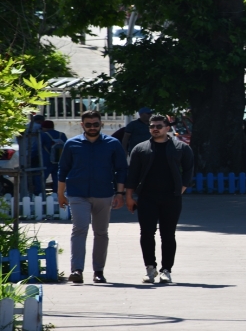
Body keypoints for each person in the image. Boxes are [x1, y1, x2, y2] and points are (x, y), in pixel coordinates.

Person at [57, 110, 128, 283]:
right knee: (80, 229)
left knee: (101, 232)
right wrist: (60, 193)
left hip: (103, 193)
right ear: (82, 125)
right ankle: (77, 270)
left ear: (101, 124)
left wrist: (119, 193)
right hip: (77, 193)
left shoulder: (112, 143)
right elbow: (63, 169)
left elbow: (121, 169)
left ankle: (98, 271)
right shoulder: (72, 144)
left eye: (96, 124)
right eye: (88, 124)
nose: (92, 127)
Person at [125, 114, 194, 283]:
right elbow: (132, 175)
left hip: (171, 197)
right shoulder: (140, 149)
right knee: (147, 233)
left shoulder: (181, 148)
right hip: (147, 197)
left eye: (159, 126)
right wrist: (129, 197)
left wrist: (181, 189)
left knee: (168, 234)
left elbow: (189, 170)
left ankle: (166, 270)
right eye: (152, 126)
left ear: (167, 128)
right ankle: (150, 268)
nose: (155, 129)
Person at [33, 120, 68, 195]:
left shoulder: (43, 135)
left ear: (44, 127)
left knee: (40, 177)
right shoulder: (62, 135)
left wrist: (30, 156)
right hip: (59, 160)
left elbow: (36, 148)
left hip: (46, 160)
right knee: (58, 177)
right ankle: (58, 193)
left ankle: (39, 193)